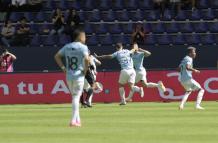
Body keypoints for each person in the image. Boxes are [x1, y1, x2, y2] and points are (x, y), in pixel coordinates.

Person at [54, 29, 89, 127]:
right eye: (84, 35)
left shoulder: (67, 47)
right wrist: (85, 70)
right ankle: (73, 120)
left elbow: (56, 56)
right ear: (79, 36)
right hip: (79, 75)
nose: (85, 38)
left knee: (74, 97)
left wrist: (63, 68)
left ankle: (78, 120)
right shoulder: (83, 47)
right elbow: (86, 59)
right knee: (76, 97)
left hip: (69, 76)